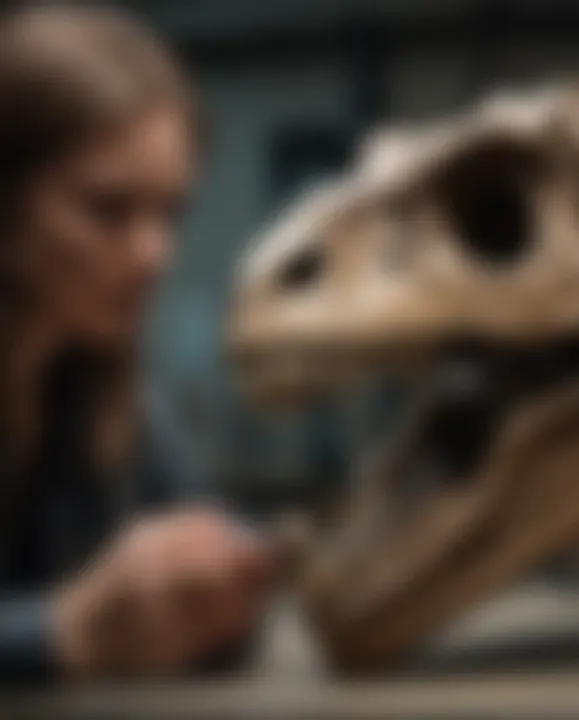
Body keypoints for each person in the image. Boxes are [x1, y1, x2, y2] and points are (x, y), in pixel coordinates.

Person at [0, 4, 275, 682]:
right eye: (108, 209)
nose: (155, 253)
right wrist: (58, 632)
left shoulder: (106, 382)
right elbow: (77, 630)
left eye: (169, 211)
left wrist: (227, 574)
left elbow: (206, 527)